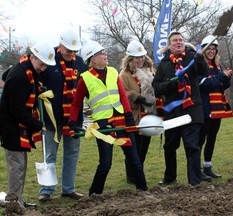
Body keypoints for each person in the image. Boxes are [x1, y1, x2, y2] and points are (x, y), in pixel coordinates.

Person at [69, 41, 148, 195]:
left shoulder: (112, 72)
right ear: (93, 59)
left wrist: (128, 117)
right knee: (105, 164)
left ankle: (143, 191)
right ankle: (94, 195)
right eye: (101, 53)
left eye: (104, 52)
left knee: (135, 160)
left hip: (122, 122)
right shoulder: (84, 79)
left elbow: (123, 97)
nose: (105, 55)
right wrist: (72, 123)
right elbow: (76, 105)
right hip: (104, 126)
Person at [0, 41, 56, 208]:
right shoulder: (20, 76)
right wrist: (37, 124)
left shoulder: (26, 69)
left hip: (17, 127)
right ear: (33, 57)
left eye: (46, 66)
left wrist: (36, 87)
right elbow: (17, 110)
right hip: (11, 128)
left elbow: (4, 77)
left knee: (21, 166)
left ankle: (18, 201)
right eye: (41, 64)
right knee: (16, 168)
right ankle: (14, 205)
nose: (43, 69)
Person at [38, 28, 88, 201]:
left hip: (74, 119)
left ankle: (68, 188)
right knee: (49, 155)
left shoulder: (81, 63)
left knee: (72, 154)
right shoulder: (49, 59)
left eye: (74, 50)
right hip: (51, 118)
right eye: (68, 50)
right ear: (60, 46)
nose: (71, 53)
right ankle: (46, 189)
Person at [152, 31, 209, 186]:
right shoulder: (164, 63)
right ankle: (170, 177)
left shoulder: (192, 57)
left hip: (192, 110)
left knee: (192, 146)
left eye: (181, 40)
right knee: (170, 146)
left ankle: (195, 181)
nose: (179, 42)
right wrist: (170, 84)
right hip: (173, 112)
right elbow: (156, 87)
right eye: (175, 40)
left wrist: (200, 59)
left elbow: (204, 71)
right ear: (170, 45)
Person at [119, 40, 156, 184]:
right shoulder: (124, 75)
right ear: (130, 59)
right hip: (135, 116)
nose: (140, 60)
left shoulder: (151, 71)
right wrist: (137, 97)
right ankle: (132, 177)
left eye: (142, 57)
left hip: (148, 115)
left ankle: (138, 173)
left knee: (144, 149)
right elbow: (122, 94)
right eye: (137, 57)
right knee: (135, 149)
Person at [198, 35, 233, 180]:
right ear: (204, 49)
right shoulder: (200, 65)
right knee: (201, 140)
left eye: (214, 49)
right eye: (209, 48)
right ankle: (196, 169)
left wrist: (226, 77)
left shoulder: (217, 65)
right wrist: (220, 77)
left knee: (212, 139)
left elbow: (221, 85)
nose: (211, 51)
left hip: (217, 108)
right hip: (205, 109)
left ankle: (207, 167)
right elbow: (203, 84)